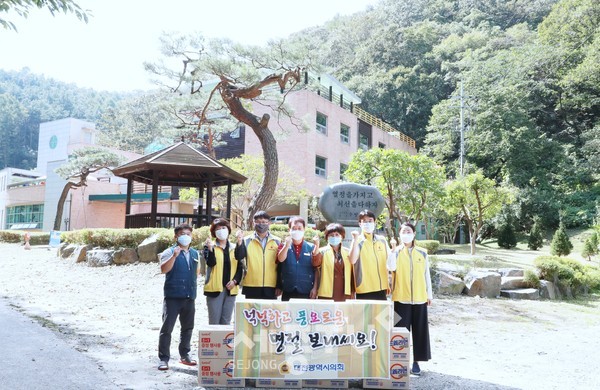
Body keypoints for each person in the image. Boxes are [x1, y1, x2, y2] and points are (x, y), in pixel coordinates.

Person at [388, 222, 432, 376]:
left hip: (420, 298)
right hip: (401, 298)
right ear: (399, 234)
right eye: (403, 231)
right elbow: (391, 268)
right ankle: (401, 361)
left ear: (414, 233)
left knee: (420, 331)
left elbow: (426, 275)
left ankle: (416, 362)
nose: (406, 233)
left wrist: (429, 295)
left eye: (408, 231)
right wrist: (393, 251)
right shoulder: (396, 252)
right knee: (400, 332)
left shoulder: (423, 253)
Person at [157, 223, 199, 371]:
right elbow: (163, 269)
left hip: (189, 296)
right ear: (176, 236)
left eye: (188, 233)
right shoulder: (169, 252)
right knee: (167, 328)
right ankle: (163, 358)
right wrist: (174, 256)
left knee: (187, 328)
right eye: (182, 234)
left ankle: (185, 355)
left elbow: (196, 272)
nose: (185, 236)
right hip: (173, 296)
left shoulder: (195, 253)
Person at [203, 218, 243, 325]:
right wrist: (211, 249)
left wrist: (235, 281)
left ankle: (224, 342)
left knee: (226, 321)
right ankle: (214, 342)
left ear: (228, 230)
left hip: (231, 289)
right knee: (214, 321)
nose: (221, 230)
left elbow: (240, 267)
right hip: (215, 289)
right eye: (218, 229)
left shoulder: (235, 247)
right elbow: (211, 263)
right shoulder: (208, 247)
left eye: (224, 228)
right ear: (214, 232)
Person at [234, 211, 281, 299]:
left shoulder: (277, 241)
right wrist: (239, 241)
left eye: (264, 222)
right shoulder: (246, 240)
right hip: (251, 285)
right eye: (258, 222)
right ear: (253, 223)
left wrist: (279, 285)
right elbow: (239, 257)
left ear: (269, 223)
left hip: (271, 286)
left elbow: (280, 265)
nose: (261, 224)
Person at [348, 209, 390, 300]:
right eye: (364, 221)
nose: (367, 224)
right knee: (366, 314)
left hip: (381, 287)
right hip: (364, 288)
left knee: (381, 314)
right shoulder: (357, 241)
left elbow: (390, 262)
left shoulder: (382, 240)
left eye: (370, 221)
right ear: (360, 224)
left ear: (375, 222)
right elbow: (352, 260)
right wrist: (354, 240)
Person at [276, 216, 320, 301]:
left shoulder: (311, 247)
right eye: (294, 228)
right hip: (288, 289)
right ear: (289, 230)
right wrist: (286, 245)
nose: (297, 231)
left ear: (304, 229)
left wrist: (315, 288)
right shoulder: (283, 246)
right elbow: (280, 260)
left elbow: (316, 268)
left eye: (299, 228)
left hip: (306, 290)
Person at [313, 223, 354, 302]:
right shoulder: (322, 251)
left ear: (342, 236)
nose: (334, 237)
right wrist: (316, 246)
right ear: (327, 237)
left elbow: (352, 274)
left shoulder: (348, 252)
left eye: (337, 234)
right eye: (331, 235)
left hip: (344, 292)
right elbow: (315, 264)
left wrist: (352, 291)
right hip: (327, 292)